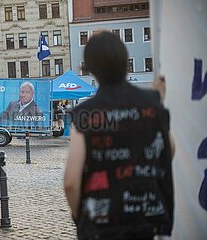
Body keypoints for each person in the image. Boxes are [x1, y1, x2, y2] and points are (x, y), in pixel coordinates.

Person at [64, 31, 175, 240]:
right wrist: (157, 100)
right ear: (126, 62)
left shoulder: (86, 113)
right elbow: (171, 149)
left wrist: (82, 216)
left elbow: (71, 182)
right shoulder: (152, 103)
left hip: (101, 225)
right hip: (146, 219)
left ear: (91, 69)